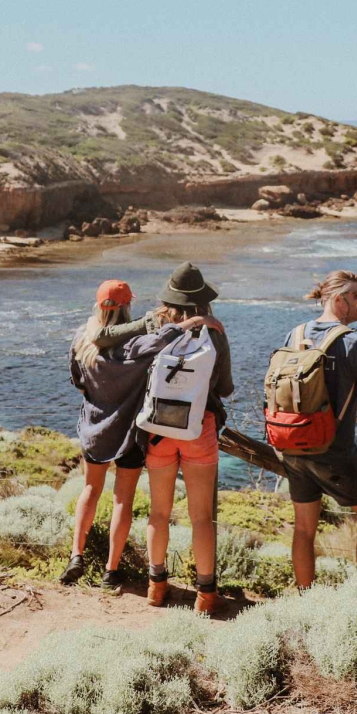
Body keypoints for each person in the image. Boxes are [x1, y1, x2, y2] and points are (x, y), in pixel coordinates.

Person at [63, 279, 218, 588]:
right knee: (123, 500)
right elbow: (164, 342)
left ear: (97, 304)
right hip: (128, 436)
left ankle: (76, 555)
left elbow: (77, 380)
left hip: (94, 430)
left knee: (89, 491)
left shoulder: (82, 340)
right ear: (128, 305)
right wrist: (195, 321)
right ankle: (111, 570)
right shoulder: (134, 346)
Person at [283, 270, 357, 589]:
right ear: (339, 299)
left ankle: (305, 595)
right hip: (333, 452)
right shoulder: (352, 342)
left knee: (304, 528)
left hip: (291, 445)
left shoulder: (295, 332)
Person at [141, 262, 234, 614]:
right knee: (201, 517)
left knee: (159, 512)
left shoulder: (155, 328)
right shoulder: (216, 333)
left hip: (158, 432)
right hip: (198, 428)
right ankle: (206, 596)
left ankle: (156, 586)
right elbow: (225, 387)